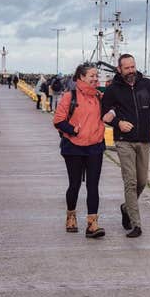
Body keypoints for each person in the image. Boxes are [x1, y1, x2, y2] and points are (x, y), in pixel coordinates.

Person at [101, 54, 150, 238]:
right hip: (123, 141)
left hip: (144, 141)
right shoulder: (113, 89)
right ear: (119, 69)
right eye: (127, 68)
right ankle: (136, 225)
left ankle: (127, 208)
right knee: (131, 182)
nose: (131, 71)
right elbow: (103, 113)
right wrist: (118, 123)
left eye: (133, 67)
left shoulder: (147, 85)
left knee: (142, 181)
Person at [53, 63, 106, 238]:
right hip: (73, 148)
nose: (95, 78)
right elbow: (58, 120)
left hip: (95, 146)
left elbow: (110, 113)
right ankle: (71, 216)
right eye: (92, 75)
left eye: (96, 75)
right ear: (81, 77)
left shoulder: (99, 97)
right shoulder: (70, 96)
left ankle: (92, 224)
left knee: (93, 186)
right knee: (74, 184)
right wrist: (73, 130)